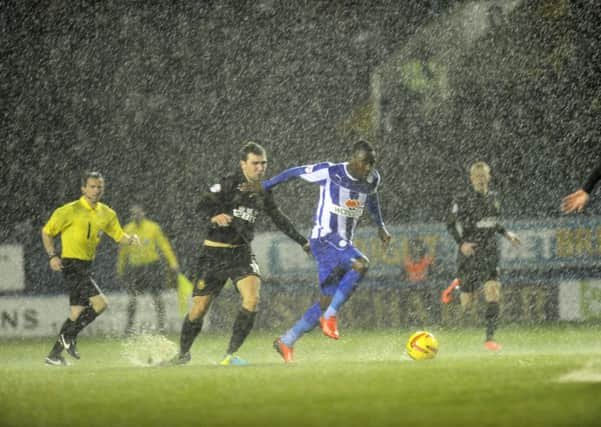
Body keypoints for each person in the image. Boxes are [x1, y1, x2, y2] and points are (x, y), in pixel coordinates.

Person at [169, 142, 309, 366]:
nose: (260, 168)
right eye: (255, 164)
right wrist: (215, 214)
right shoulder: (227, 184)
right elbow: (200, 207)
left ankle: (229, 355)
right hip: (214, 254)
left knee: (252, 299)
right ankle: (183, 354)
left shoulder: (263, 190)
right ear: (243, 164)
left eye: (263, 164)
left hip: (241, 254)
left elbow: (279, 218)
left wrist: (303, 241)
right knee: (199, 309)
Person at [265, 140, 391, 363]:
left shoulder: (372, 179)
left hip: (341, 244)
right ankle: (331, 317)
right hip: (324, 239)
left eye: (372, 163)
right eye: (364, 163)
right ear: (353, 159)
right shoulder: (330, 172)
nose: (368, 168)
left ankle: (287, 340)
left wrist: (380, 225)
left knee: (325, 301)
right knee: (361, 264)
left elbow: (372, 196)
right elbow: (295, 172)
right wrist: (265, 185)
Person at [42, 171, 140, 366]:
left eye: (99, 187)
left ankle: (54, 355)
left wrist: (131, 239)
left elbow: (118, 235)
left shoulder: (107, 213)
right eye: (92, 186)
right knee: (101, 304)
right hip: (71, 264)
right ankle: (67, 337)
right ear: (83, 188)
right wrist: (53, 255)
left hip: (86, 265)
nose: (96, 190)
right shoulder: (68, 210)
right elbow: (47, 232)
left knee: (76, 313)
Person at [446, 161, 520, 351]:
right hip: (469, 253)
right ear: (471, 179)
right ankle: (456, 287)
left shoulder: (494, 198)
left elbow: (493, 223)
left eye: (483, 176)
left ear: (489, 177)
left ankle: (489, 338)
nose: (480, 179)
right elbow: (450, 224)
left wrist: (507, 234)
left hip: (489, 252)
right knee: (467, 305)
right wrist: (462, 244)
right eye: (476, 176)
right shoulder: (462, 199)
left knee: (493, 291)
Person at [117, 205, 179, 335]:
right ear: (131, 216)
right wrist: (120, 269)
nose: (137, 216)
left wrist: (172, 262)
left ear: (144, 213)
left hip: (151, 266)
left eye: (139, 213)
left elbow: (164, 245)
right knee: (132, 298)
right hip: (136, 268)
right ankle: (129, 328)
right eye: (134, 214)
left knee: (157, 297)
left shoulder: (153, 227)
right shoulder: (128, 229)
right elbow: (123, 251)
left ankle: (162, 327)